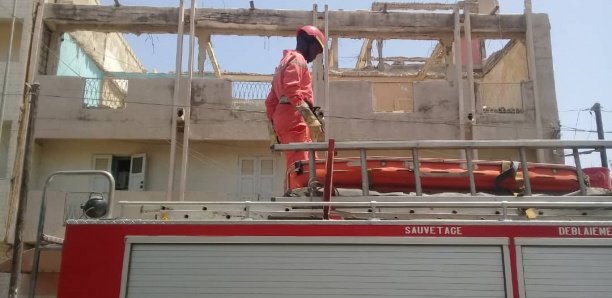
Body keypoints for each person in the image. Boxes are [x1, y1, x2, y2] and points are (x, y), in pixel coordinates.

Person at [265, 25, 326, 168]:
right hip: (294, 118)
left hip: (283, 119)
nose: (314, 56)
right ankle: (299, 190)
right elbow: (292, 90)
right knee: (303, 166)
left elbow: (270, 103)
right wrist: (310, 118)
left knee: (301, 163)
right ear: (309, 42)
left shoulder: (283, 63)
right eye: (316, 51)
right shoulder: (298, 59)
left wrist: (273, 132)